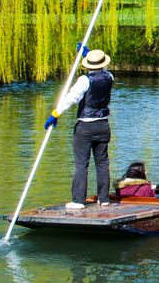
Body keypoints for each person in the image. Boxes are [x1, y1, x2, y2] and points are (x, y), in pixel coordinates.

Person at [43, 48, 114, 209]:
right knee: (102, 162)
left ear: (88, 65)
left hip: (86, 126)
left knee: (81, 164)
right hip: (103, 125)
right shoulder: (109, 77)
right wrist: (88, 56)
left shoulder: (84, 80)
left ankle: (78, 201)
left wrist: (56, 114)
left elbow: (71, 98)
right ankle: (104, 198)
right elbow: (102, 72)